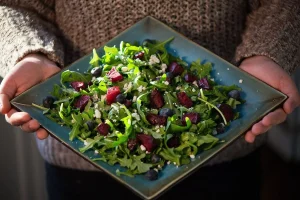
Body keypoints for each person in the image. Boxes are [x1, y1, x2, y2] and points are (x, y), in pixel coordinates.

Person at [0, 0, 299, 199]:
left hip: (225, 149)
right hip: (78, 166)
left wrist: (266, 51)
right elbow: (15, 5)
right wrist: (29, 53)